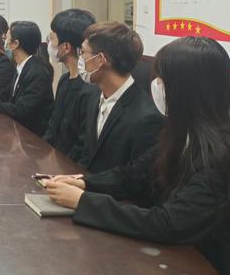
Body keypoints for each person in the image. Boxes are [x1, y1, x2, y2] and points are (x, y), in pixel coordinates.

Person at [43, 37, 230, 275]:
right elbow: (134, 174)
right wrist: (86, 184)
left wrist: (84, 203)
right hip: (184, 269)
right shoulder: (181, 133)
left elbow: (168, 223)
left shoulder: (222, 155)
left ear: (185, 88)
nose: (155, 86)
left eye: (162, 80)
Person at [69, 22, 163, 175]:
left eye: (83, 52)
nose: (80, 58)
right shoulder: (94, 97)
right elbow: (87, 152)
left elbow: (135, 176)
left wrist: (85, 185)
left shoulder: (146, 117)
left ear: (100, 60)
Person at [0, 21, 54, 137]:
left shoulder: (37, 73)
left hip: (33, 136)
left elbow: (20, 110)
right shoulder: (21, 66)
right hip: (19, 130)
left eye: (6, 38)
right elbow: (5, 95)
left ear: (15, 44)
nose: (3, 41)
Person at [43, 9, 99, 157]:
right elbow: (53, 125)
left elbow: (83, 145)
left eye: (52, 38)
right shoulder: (64, 80)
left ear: (66, 47)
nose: (49, 43)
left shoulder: (90, 90)